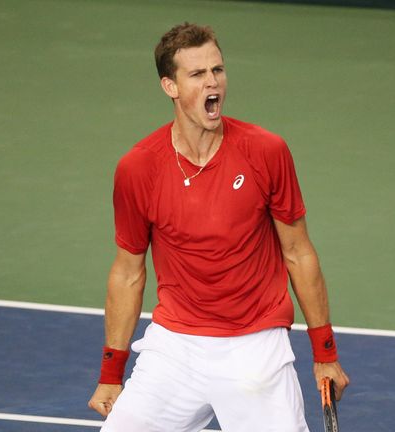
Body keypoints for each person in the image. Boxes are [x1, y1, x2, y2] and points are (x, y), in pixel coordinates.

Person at [87, 22, 349, 431]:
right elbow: (127, 271)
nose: (214, 83)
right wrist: (110, 373)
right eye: (197, 74)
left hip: (255, 349)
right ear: (170, 86)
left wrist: (325, 351)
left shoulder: (266, 151)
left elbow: (298, 252)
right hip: (174, 348)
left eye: (218, 70)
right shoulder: (138, 168)